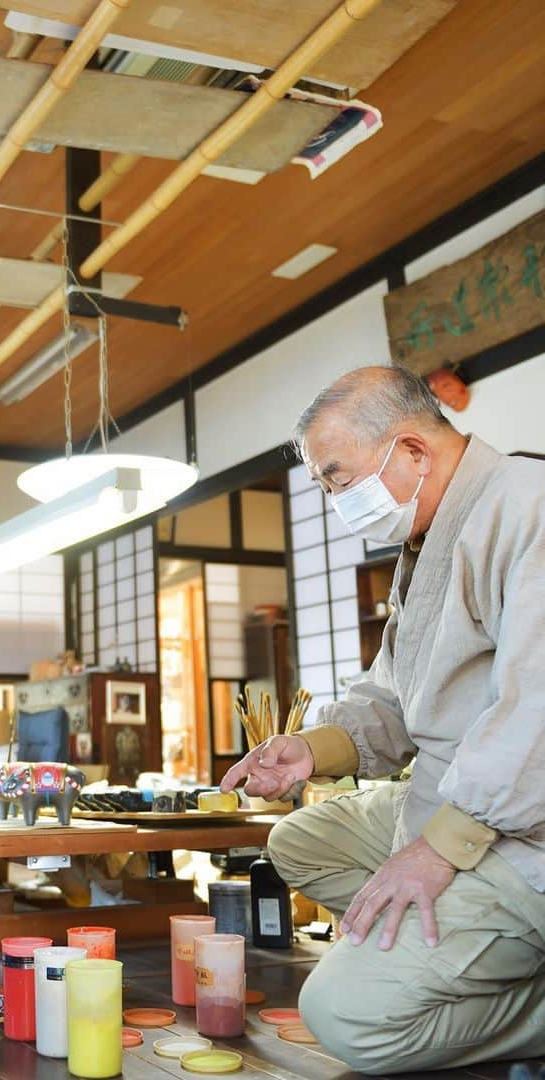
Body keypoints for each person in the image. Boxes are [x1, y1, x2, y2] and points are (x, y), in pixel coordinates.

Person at [222, 365, 545, 1073]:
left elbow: (538, 717)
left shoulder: (529, 505)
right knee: (301, 842)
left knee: (342, 1014)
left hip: (521, 830)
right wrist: (310, 750)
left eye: (337, 478)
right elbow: (394, 696)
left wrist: (438, 850)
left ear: (412, 451)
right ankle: (441, 950)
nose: (337, 499)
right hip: (448, 789)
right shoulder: (427, 537)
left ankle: (514, 987)